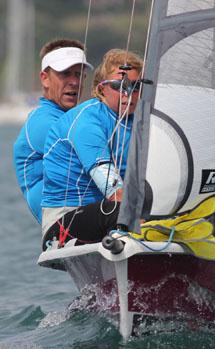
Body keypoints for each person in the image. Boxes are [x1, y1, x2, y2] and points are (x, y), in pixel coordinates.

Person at [41, 49, 145, 249]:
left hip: (110, 217)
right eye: (120, 86)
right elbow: (113, 189)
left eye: (136, 86)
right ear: (101, 88)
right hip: (61, 228)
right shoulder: (88, 121)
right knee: (119, 208)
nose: (128, 93)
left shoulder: (140, 121)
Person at [13, 39, 93, 224]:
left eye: (79, 74)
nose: (74, 82)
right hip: (64, 226)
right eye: (65, 74)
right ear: (44, 78)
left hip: (92, 219)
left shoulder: (79, 120)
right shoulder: (42, 123)